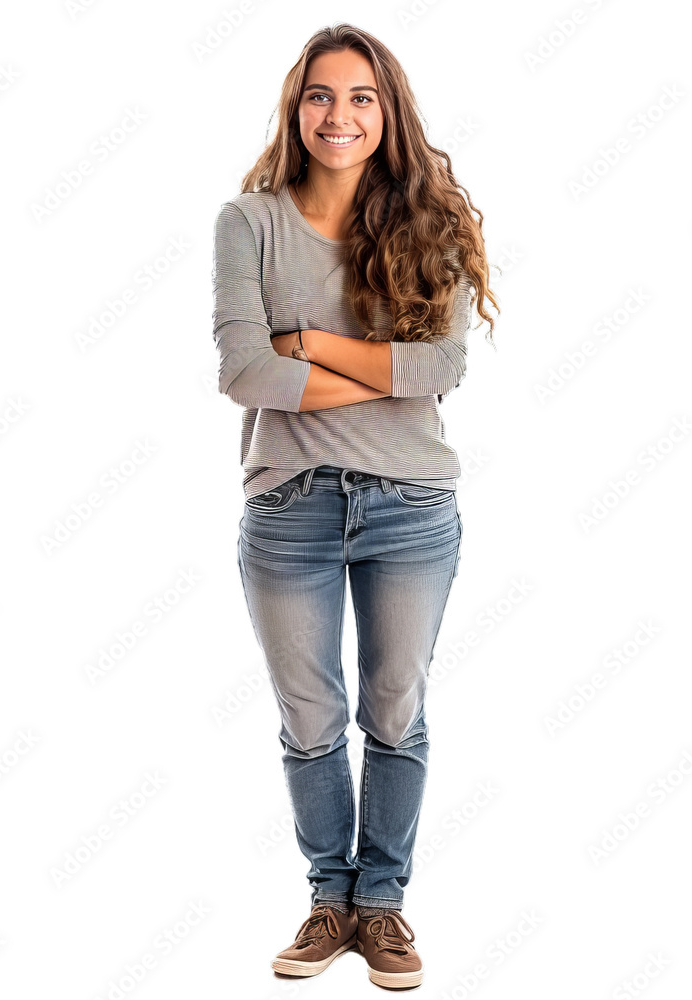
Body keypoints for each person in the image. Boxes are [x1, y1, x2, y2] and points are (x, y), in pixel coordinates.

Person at [212, 22, 498, 990]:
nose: (341, 115)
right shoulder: (247, 221)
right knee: (307, 719)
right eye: (322, 96)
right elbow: (245, 375)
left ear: (389, 113)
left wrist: (311, 342)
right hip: (286, 505)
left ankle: (381, 905)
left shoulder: (432, 220)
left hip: (410, 504)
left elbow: (443, 367)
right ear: (297, 109)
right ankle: (327, 899)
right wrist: (376, 371)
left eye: (362, 97)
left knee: (394, 708)